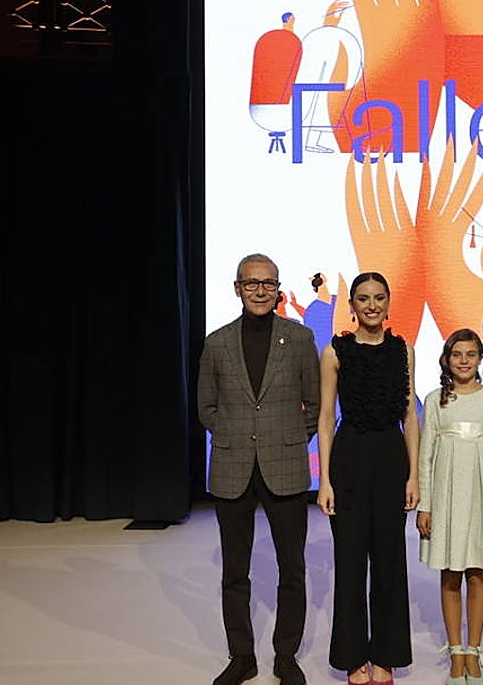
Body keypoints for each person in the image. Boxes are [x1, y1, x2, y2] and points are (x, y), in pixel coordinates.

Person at [197, 253, 321, 685]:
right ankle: (242, 656)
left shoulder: (300, 338)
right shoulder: (216, 343)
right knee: (235, 571)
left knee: (293, 568)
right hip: (232, 467)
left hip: (284, 465)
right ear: (237, 288)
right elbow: (206, 407)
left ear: (279, 290)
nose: (260, 291)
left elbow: (315, 404)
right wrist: (237, 436)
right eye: (251, 283)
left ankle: (286, 656)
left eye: (268, 283)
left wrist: (288, 439)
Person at [317, 272, 420, 684]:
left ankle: (386, 656)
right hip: (349, 459)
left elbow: (410, 415)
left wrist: (414, 476)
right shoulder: (335, 352)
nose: (372, 305)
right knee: (350, 561)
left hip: (391, 459)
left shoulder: (403, 350)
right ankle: (352, 656)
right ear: (353, 306)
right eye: (363, 298)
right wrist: (324, 481)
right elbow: (326, 417)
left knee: (390, 561)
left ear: (389, 303)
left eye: (379, 298)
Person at [417, 329, 483, 685]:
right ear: (446, 359)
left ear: (480, 359)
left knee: (477, 571)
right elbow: (426, 456)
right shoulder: (435, 400)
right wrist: (425, 505)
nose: (463, 360)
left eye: (470, 354)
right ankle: (456, 651)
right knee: (450, 572)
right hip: (446, 496)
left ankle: (473, 651)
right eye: (457, 354)